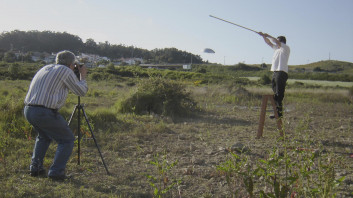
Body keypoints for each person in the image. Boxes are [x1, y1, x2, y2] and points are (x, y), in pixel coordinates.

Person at [24, 50, 88, 180]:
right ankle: (56, 173)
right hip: (44, 112)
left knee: (43, 136)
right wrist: (82, 76)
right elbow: (81, 91)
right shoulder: (65, 71)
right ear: (72, 64)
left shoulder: (46, 68)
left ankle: (35, 168)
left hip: (29, 110)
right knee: (67, 139)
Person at [258, 32, 290, 118]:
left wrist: (268, 35)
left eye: (278, 41)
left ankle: (279, 113)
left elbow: (276, 41)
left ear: (282, 42)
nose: (276, 42)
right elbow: (269, 43)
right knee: (275, 92)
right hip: (275, 72)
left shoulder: (285, 48)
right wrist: (264, 37)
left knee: (279, 94)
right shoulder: (277, 49)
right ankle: (277, 112)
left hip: (282, 72)